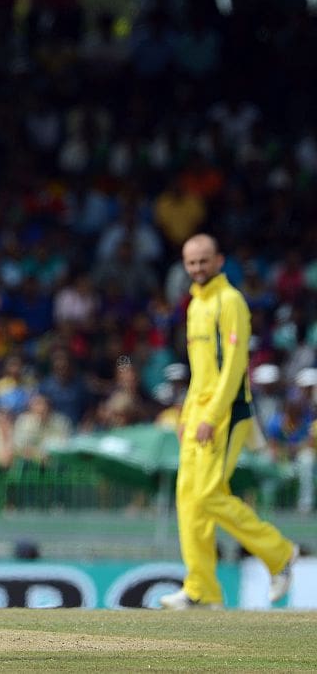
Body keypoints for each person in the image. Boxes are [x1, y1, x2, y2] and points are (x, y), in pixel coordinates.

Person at [160, 234, 298, 610]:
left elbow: (235, 366)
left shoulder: (230, 301)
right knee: (188, 497)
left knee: (207, 494)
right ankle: (201, 590)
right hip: (198, 413)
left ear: (219, 261)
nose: (197, 268)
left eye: (203, 261)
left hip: (226, 412)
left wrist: (211, 415)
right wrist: (188, 414)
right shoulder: (194, 305)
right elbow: (200, 370)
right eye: (191, 262)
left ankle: (279, 552)